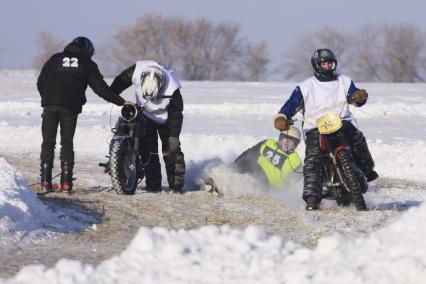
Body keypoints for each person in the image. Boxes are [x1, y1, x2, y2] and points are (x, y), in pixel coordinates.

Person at [274, 48, 378, 210]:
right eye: (324, 63)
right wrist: (282, 117)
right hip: (315, 127)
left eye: (330, 63)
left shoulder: (344, 81)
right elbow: (290, 105)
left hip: (341, 122)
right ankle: (312, 198)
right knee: (313, 160)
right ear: (317, 65)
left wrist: (359, 96)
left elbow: (354, 97)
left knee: (357, 139)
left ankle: (367, 170)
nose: (328, 66)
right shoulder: (305, 86)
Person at [37, 36, 126, 193]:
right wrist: (121, 102)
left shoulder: (55, 59)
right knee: (67, 142)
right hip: (70, 107)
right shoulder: (87, 64)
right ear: (88, 51)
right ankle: (66, 183)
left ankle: (45, 182)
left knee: (48, 142)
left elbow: (41, 82)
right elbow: (101, 89)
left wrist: (48, 97)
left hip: (49, 104)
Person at [110, 60, 185, 193]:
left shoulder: (173, 89)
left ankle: (176, 187)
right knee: (148, 151)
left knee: (172, 152)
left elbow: (176, 115)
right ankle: (153, 185)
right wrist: (112, 94)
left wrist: (174, 136)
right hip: (145, 113)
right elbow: (119, 82)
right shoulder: (137, 70)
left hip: (167, 118)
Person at [233, 126, 303, 188]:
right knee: (247, 160)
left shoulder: (296, 162)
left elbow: (291, 186)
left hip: (268, 185)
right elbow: (248, 153)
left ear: (296, 144)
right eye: (286, 138)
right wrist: (232, 166)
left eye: (292, 140)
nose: (287, 142)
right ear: (281, 138)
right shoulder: (268, 143)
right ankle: (228, 177)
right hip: (253, 170)